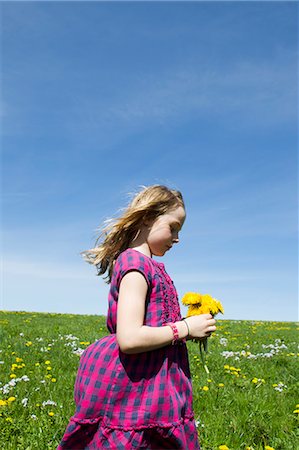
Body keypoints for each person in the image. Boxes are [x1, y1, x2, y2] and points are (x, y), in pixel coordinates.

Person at [57, 185, 216, 450]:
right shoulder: (135, 265)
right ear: (147, 217)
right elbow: (129, 338)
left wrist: (188, 327)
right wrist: (185, 328)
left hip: (152, 381)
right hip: (132, 382)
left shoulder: (150, 266)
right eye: (173, 227)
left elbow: (154, 325)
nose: (177, 238)